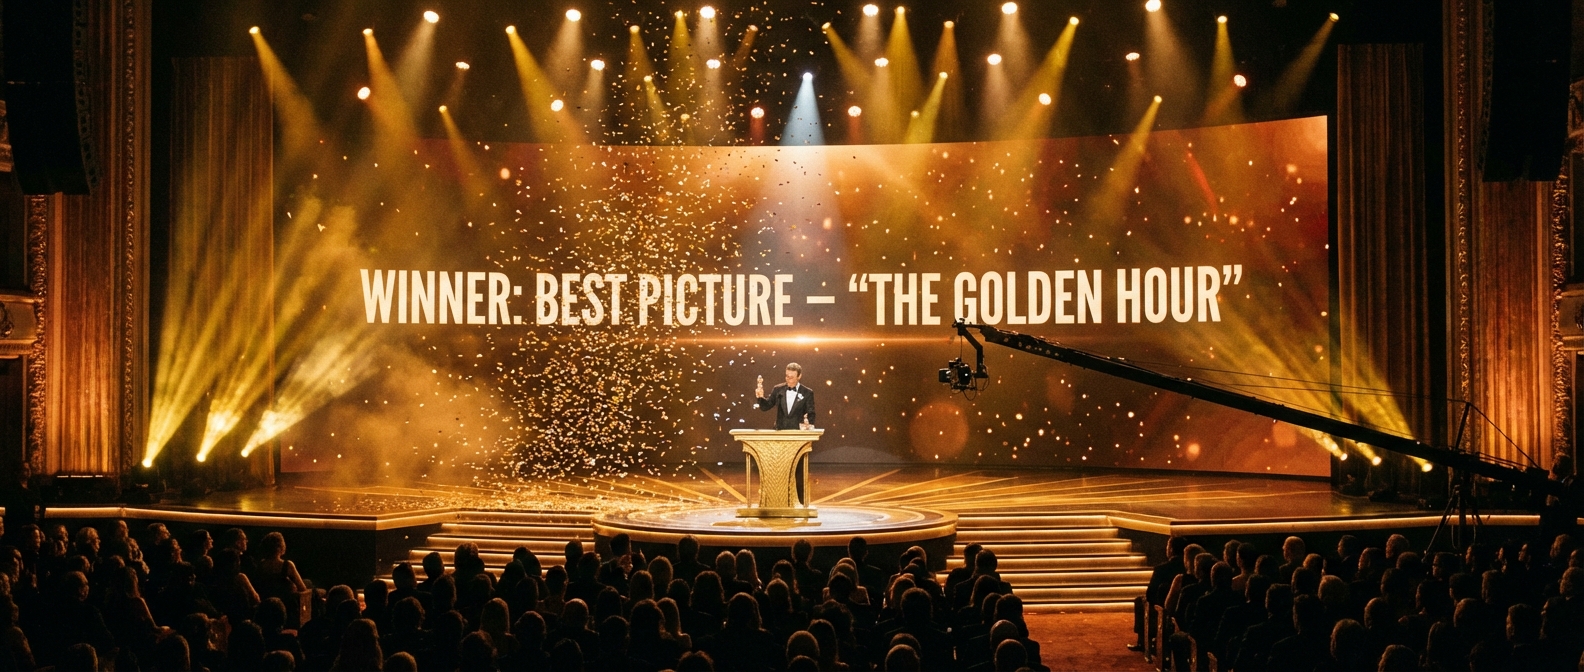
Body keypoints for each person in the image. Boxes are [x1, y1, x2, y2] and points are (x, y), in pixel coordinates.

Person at [755, 363, 818, 430]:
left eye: (791, 377)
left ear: (799, 376)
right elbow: (765, 407)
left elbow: (811, 413)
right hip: (780, 431)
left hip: (798, 432)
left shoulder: (807, 392)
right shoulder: (778, 389)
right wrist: (760, 397)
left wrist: (808, 425)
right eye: (787, 376)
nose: (788, 379)